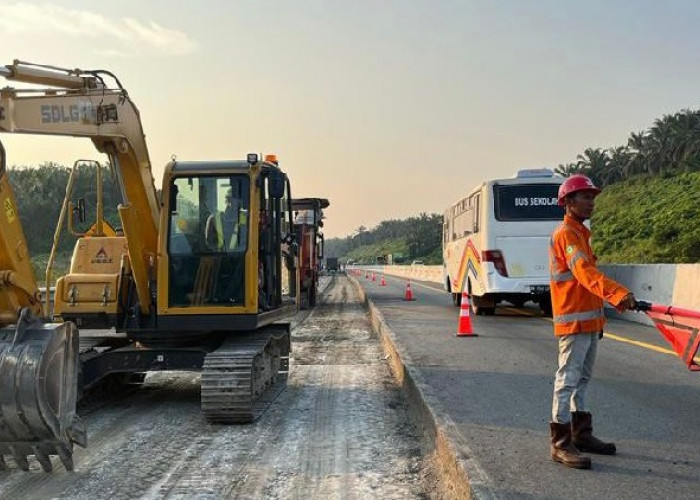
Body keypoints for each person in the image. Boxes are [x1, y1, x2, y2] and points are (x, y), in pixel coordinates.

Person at [548, 174, 637, 470]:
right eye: (584, 197)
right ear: (568, 202)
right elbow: (585, 273)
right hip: (573, 323)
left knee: (583, 380)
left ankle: (581, 434)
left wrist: (600, 319)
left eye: (592, 197)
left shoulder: (582, 234)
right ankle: (560, 443)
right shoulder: (566, 235)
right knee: (567, 380)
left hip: (588, 322)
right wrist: (618, 293)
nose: (591, 202)